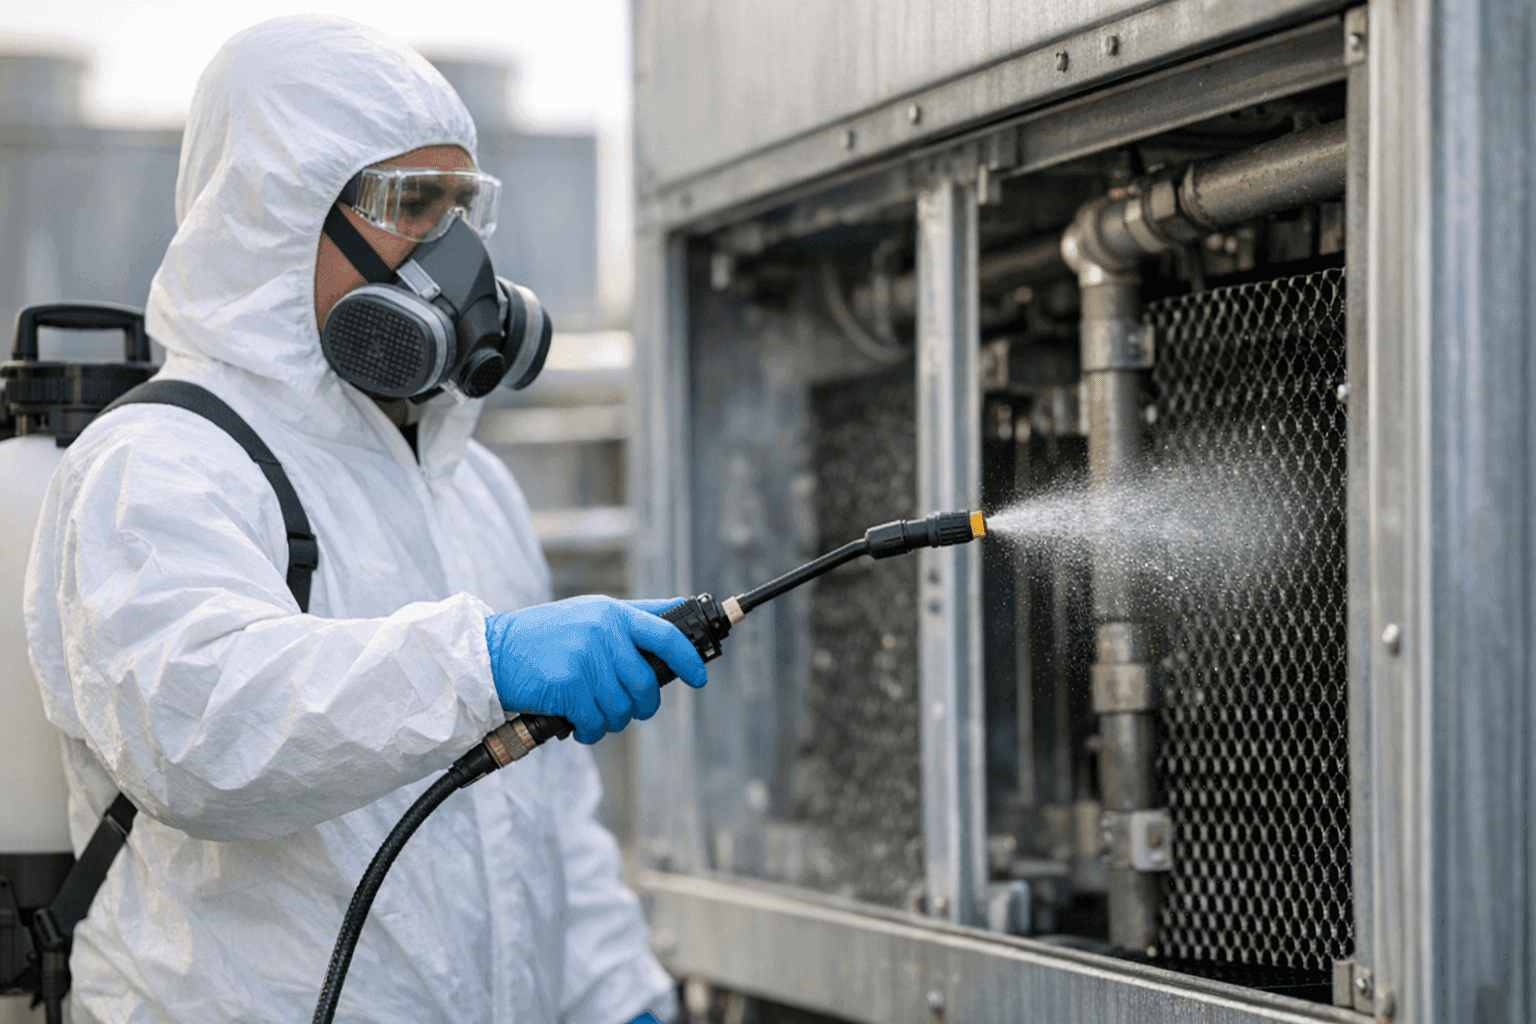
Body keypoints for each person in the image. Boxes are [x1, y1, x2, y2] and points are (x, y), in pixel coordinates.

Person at [23, 15, 703, 1024]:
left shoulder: (468, 487)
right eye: (407, 203)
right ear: (272, 212)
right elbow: (201, 728)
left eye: (463, 206)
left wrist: (619, 1000)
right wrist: (482, 662)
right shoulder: (162, 463)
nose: (451, 252)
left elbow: (543, 823)